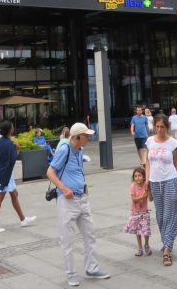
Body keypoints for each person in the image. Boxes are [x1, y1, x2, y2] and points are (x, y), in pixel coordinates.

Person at [47, 122, 110, 286]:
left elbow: (77, 172)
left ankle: (92, 268)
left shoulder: (80, 150)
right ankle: (70, 273)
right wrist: (63, 188)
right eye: (86, 136)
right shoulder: (64, 150)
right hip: (67, 200)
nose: (89, 138)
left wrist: (84, 186)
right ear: (77, 137)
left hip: (82, 198)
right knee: (67, 239)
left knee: (90, 234)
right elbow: (50, 172)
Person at [144, 113, 177, 267]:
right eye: (157, 127)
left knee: (169, 215)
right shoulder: (150, 141)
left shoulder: (173, 142)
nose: (159, 130)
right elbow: (147, 161)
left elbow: (176, 162)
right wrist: (146, 179)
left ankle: (167, 249)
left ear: (167, 127)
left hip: (170, 181)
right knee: (160, 217)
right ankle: (167, 242)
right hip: (154, 182)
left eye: (162, 127)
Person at [0, 120, 36, 234]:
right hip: (5, 174)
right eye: (12, 127)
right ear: (10, 130)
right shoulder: (9, 143)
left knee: (14, 194)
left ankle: (23, 219)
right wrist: (17, 149)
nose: (13, 128)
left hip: (3, 172)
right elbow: (13, 159)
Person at [123, 167, 151, 257]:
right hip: (135, 212)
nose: (138, 178)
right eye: (135, 176)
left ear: (144, 177)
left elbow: (150, 198)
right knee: (138, 231)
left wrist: (149, 191)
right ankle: (139, 248)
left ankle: (146, 245)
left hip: (144, 212)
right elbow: (134, 199)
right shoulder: (133, 186)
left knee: (146, 231)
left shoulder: (146, 186)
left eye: (140, 176)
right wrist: (143, 196)